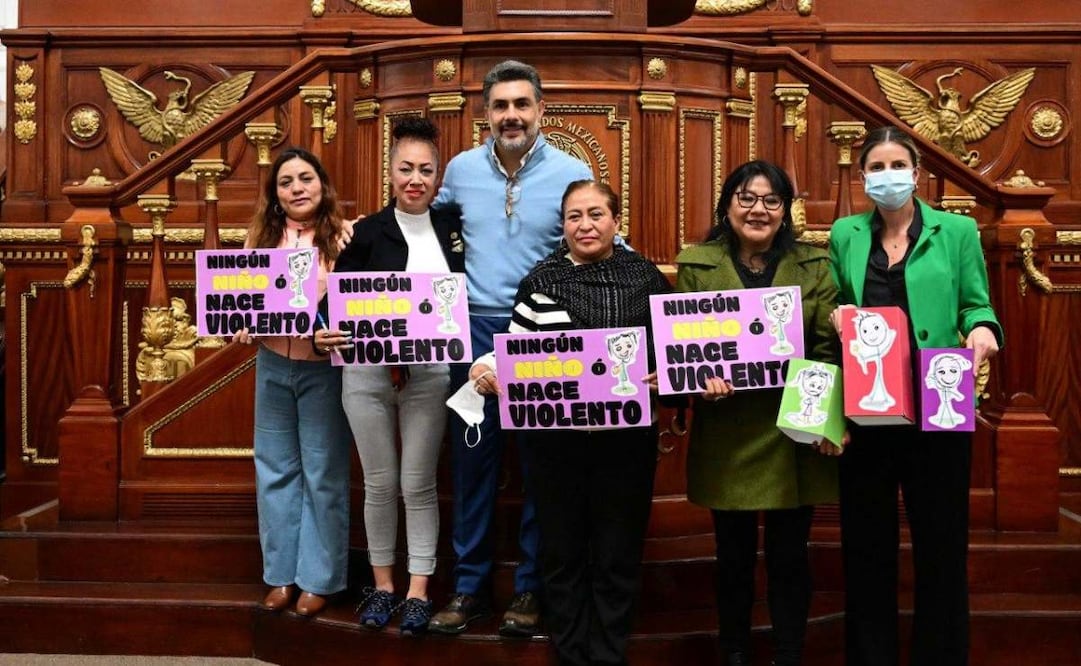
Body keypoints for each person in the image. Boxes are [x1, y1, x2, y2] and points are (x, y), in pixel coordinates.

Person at [470, 180, 671, 666]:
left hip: (625, 444)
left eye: (596, 214)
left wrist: (664, 375)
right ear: (562, 224)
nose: (586, 224)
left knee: (616, 554)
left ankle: (607, 655)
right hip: (555, 446)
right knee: (561, 555)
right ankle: (571, 655)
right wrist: (485, 369)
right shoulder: (539, 282)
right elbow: (511, 353)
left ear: (616, 221)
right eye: (575, 215)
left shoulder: (645, 279)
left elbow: (673, 357)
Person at [429, 59, 594, 637]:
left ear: (541, 110)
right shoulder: (460, 169)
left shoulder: (573, 170)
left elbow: (598, 242)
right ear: (485, 113)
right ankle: (469, 586)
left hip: (546, 337)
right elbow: (428, 230)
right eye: (500, 106)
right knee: (473, 463)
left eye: (522, 104)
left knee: (540, 469)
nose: (511, 116)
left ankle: (529, 589)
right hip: (470, 334)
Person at [828, 125, 1002, 666]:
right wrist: (836, 314)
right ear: (862, 178)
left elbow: (976, 305)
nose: (887, 177)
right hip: (867, 410)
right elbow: (834, 299)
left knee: (942, 545)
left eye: (895, 166)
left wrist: (982, 332)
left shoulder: (956, 231)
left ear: (917, 172)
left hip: (939, 405)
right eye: (875, 169)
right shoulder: (845, 234)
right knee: (867, 547)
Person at [674, 160, 842, 666]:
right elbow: (684, 344)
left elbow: (826, 348)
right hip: (728, 429)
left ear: (786, 210)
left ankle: (789, 650)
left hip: (794, 429)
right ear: (727, 206)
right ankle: (735, 650)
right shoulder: (697, 263)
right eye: (746, 198)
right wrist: (702, 379)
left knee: (791, 555)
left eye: (771, 200)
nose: (758, 210)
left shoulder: (815, 264)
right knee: (733, 555)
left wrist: (820, 420)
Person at [319, 117, 463, 636]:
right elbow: (330, 301)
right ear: (390, 170)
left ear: (438, 174)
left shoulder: (454, 229)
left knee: (418, 483)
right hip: (365, 371)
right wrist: (321, 330)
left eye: (426, 169)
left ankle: (418, 591)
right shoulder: (363, 232)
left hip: (429, 371)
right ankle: (382, 586)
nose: (415, 179)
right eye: (406, 168)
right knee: (379, 484)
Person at [235, 146, 351, 618]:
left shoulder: (344, 237)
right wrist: (240, 323)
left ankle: (318, 578)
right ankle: (281, 576)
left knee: (323, 474)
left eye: (305, 178)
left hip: (323, 369)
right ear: (275, 194)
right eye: (286, 182)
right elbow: (241, 300)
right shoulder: (259, 239)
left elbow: (356, 305)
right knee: (275, 470)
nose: (297, 188)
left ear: (322, 185)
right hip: (271, 366)